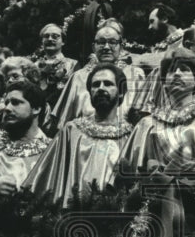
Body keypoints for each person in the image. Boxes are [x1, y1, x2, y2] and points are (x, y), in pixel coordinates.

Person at [24, 63, 134, 207]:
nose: (100, 88)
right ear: (89, 92)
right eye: (95, 85)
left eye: (107, 84)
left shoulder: (130, 136)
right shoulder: (71, 131)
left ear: (120, 92)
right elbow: (46, 182)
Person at [119, 49, 195, 175]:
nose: (177, 73)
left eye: (184, 69)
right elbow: (127, 174)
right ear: (164, 82)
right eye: (171, 70)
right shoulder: (146, 125)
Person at [51, 23, 148, 128]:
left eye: (112, 42)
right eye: (101, 42)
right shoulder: (78, 77)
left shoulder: (136, 75)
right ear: (93, 47)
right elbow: (64, 123)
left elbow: (143, 120)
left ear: (121, 47)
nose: (106, 47)